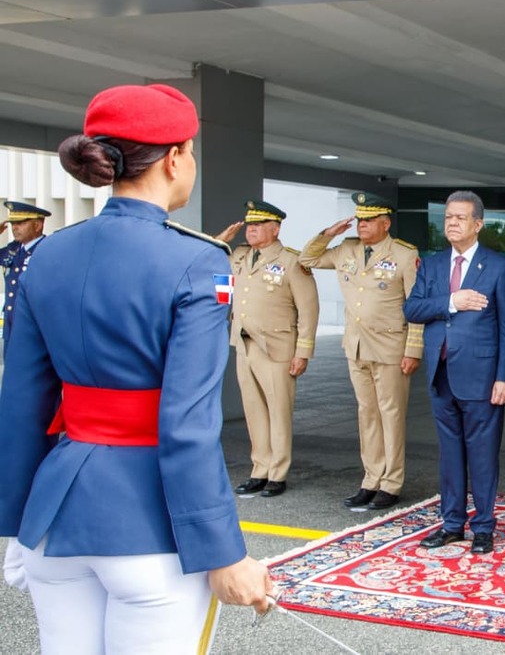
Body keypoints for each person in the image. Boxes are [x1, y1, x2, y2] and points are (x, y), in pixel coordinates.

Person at [0, 83, 271, 653]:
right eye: (191, 151)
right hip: (149, 528)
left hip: (54, 516)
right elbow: (188, 426)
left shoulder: (48, 254)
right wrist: (224, 552)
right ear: (174, 158)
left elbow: (22, 401)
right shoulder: (197, 260)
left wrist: (17, 521)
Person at [404, 191, 505, 555]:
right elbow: (412, 308)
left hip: (483, 377)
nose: (452, 223)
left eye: (460, 217)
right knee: (450, 454)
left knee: (483, 454)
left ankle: (483, 526)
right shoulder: (434, 265)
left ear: (478, 224)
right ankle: (452, 523)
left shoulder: (498, 266)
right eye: (448, 217)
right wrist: (451, 302)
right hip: (441, 375)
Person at [300, 192, 424, 511]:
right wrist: (328, 234)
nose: (363, 225)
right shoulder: (346, 249)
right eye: (359, 220)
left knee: (390, 416)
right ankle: (371, 479)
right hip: (356, 346)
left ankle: (391, 482)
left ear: (386, 223)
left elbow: (417, 306)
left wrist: (413, 349)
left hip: (391, 347)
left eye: (369, 220)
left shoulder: (404, 254)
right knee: (367, 415)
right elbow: (307, 259)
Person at [216, 200, 319, 499]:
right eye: (249, 226)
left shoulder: (290, 261)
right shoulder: (239, 257)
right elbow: (215, 280)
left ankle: (278, 472)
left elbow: (308, 310)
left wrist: (303, 351)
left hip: (277, 346)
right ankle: (259, 469)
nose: (251, 231)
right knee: (254, 410)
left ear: (275, 229)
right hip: (245, 343)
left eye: (258, 226)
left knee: (278, 411)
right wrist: (218, 242)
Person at [1, 200, 51, 354]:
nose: (14, 228)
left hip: (33, 325)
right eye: (13, 223)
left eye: (21, 223)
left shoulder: (47, 249)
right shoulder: (13, 250)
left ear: (37, 225)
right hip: (11, 323)